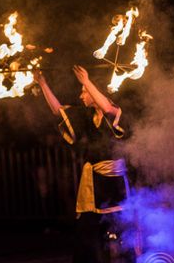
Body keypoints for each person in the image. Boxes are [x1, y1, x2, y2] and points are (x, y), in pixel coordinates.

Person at [34, 65, 133, 262]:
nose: (81, 96)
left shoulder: (114, 110)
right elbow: (58, 110)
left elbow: (105, 107)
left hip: (114, 185)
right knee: (86, 232)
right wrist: (42, 83)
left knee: (120, 230)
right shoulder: (86, 116)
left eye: (84, 92)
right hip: (93, 184)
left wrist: (87, 81)